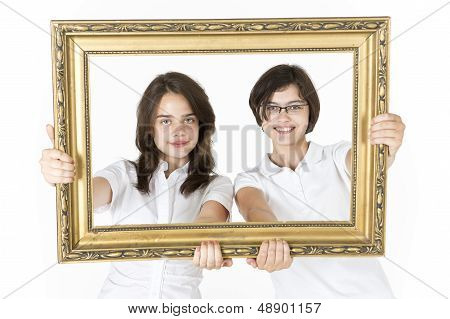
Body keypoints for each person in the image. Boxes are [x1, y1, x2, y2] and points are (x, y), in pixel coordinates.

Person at [40, 72, 233, 298]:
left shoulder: (217, 184)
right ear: (149, 127)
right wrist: (63, 175)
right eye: (166, 121)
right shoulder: (123, 174)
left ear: (202, 125)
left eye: (188, 119)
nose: (179, 131)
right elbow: (86, 196)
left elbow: (209, 222)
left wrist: (208, 240)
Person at [234, 64, 405, 298]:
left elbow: (367, 164)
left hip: (370, 303)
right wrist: (268, 236)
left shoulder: (336, 155)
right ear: (260, 115)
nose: (282, 117)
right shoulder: (251, 178)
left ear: (309, 112)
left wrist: (385, 147)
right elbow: (254, 208)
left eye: (294, 106)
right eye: (272, 107)